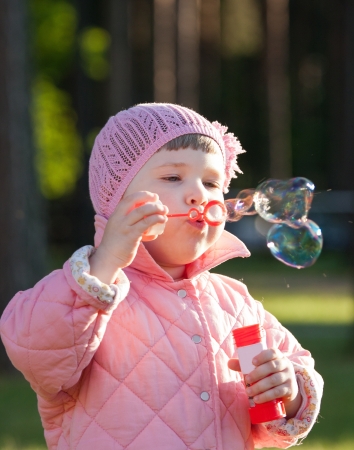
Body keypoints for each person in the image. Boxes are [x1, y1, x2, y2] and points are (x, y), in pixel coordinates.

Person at [0, 103, 323, 450]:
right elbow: (37, 352)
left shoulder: (237, 304)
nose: (201, 193)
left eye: (213, 182)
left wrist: (287, 389)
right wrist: (106, 259)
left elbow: (293, 379)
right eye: (173, 177)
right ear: (117, 200)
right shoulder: (88, 292)